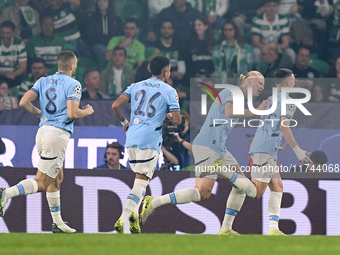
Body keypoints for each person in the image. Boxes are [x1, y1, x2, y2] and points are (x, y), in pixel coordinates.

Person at [141, 71, 270, 235]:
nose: (262, 88)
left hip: (219, 148)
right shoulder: (232, 92)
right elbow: (229, 112)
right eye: (260, 84)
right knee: (203, 193)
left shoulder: (238, 96)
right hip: (208, 145)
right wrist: (255, 112)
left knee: (240, 185)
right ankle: (153, 202)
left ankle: (226, 229)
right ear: (250, 81)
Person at [0, 50, 94, 233]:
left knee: (57, 178)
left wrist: (39, 113)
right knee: (42, 182)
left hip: (42, 132)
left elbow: (23, 102)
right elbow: (73, 113)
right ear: (72, 66)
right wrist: (88, 111)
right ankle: (6, 193)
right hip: (56, 135)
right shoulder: (74, 84)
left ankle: (57, 223)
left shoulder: (43, 81)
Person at [111, 55, 181, 234]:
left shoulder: (135, 86)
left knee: (138, 180)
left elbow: (116, 105)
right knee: (141, 184)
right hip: (150, 139)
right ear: (166, 71)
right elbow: (178, 120)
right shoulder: (169, 90)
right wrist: (169, 115)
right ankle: (123, 218)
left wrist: (124, 123)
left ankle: (134, 218)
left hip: (132, 137)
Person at [249, 68, 312, 235]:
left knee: (277, 186)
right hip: (264, 150)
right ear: (288, 83)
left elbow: (270, 124)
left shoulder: (270, 99)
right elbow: (284, 125)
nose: (295, 82)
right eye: (293, 79)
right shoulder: (288, 100)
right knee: (257, 192)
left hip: (265, 147)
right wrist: (297, 150)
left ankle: (273, 229)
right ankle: (232, 179)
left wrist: (277, 144)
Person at [83, 0, 124, 67]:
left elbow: (119, 34)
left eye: (104, 1)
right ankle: (104, 69)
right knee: (100, 49)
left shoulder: (116, 20)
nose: (101, 3)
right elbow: (90, 37)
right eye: (99, 1)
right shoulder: (91, 19)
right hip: (98, 46)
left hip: (114, 45)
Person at [0, 21, 27, 88]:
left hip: (15, 76)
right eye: (3, 33)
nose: (5, 36)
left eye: (8, 33)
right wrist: (4, 73)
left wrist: (13, 74)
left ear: (13, 33)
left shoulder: (19, 44)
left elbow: (23, 67)